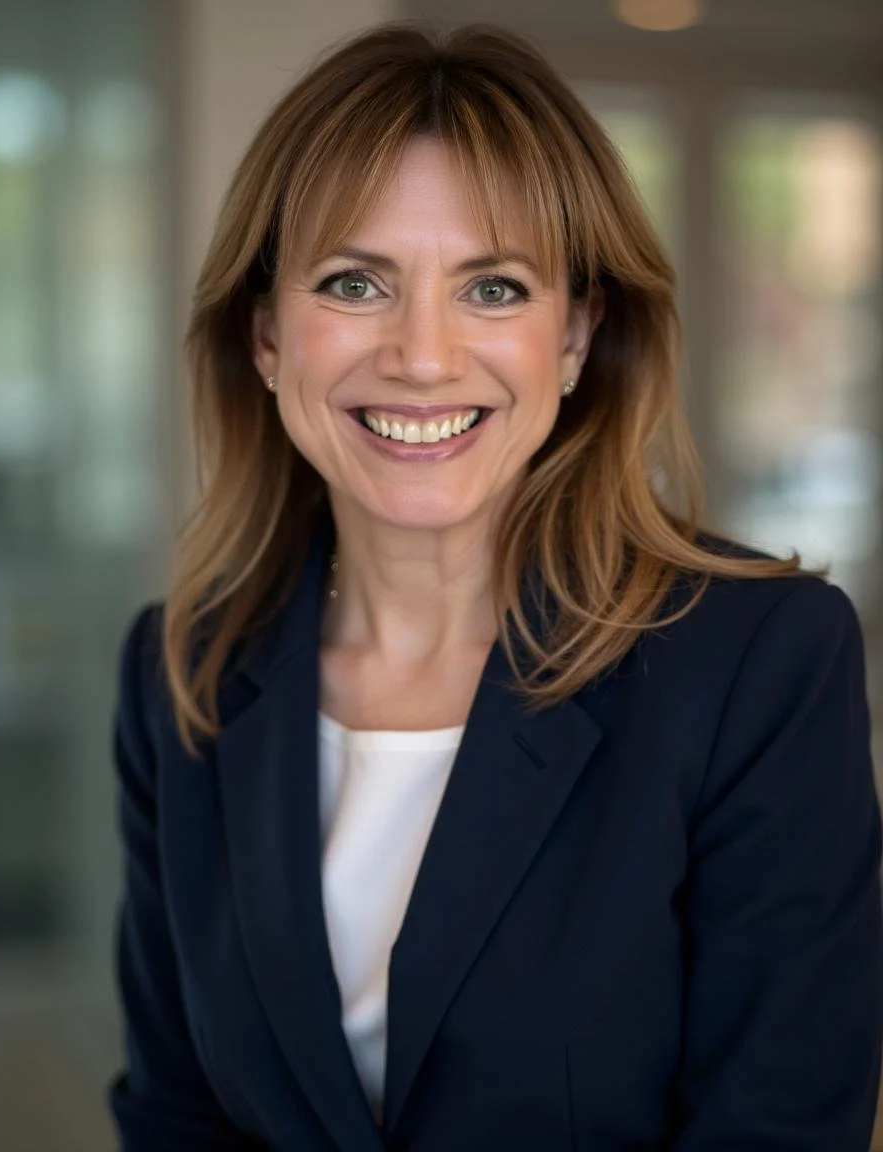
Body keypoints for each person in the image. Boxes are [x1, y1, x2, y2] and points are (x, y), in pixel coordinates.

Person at [106, 22, 883, 1152]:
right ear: (267, 333)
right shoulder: (179, 670)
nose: (422, 356)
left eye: (493, 287)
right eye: (354, 281)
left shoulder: (757, 664)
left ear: (574, 335)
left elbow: (778, 1130)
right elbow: (175, 1114)